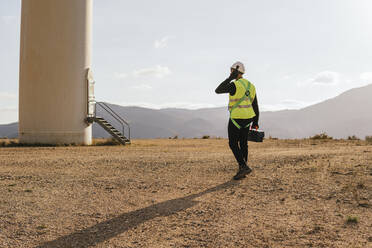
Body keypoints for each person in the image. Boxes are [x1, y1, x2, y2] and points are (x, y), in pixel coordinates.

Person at [215, 61, 260, 180]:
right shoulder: (251, 86)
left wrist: (230, 78)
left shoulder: (235, 85)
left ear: (235, 71)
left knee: (233, 143)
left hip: (236, 118)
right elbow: (255, 105)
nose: (230, 72)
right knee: (243, 143)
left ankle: (243, 166)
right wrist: (255, 122)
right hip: (248, 118)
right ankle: (243, 170)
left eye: (231, 71)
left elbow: (218, 90)